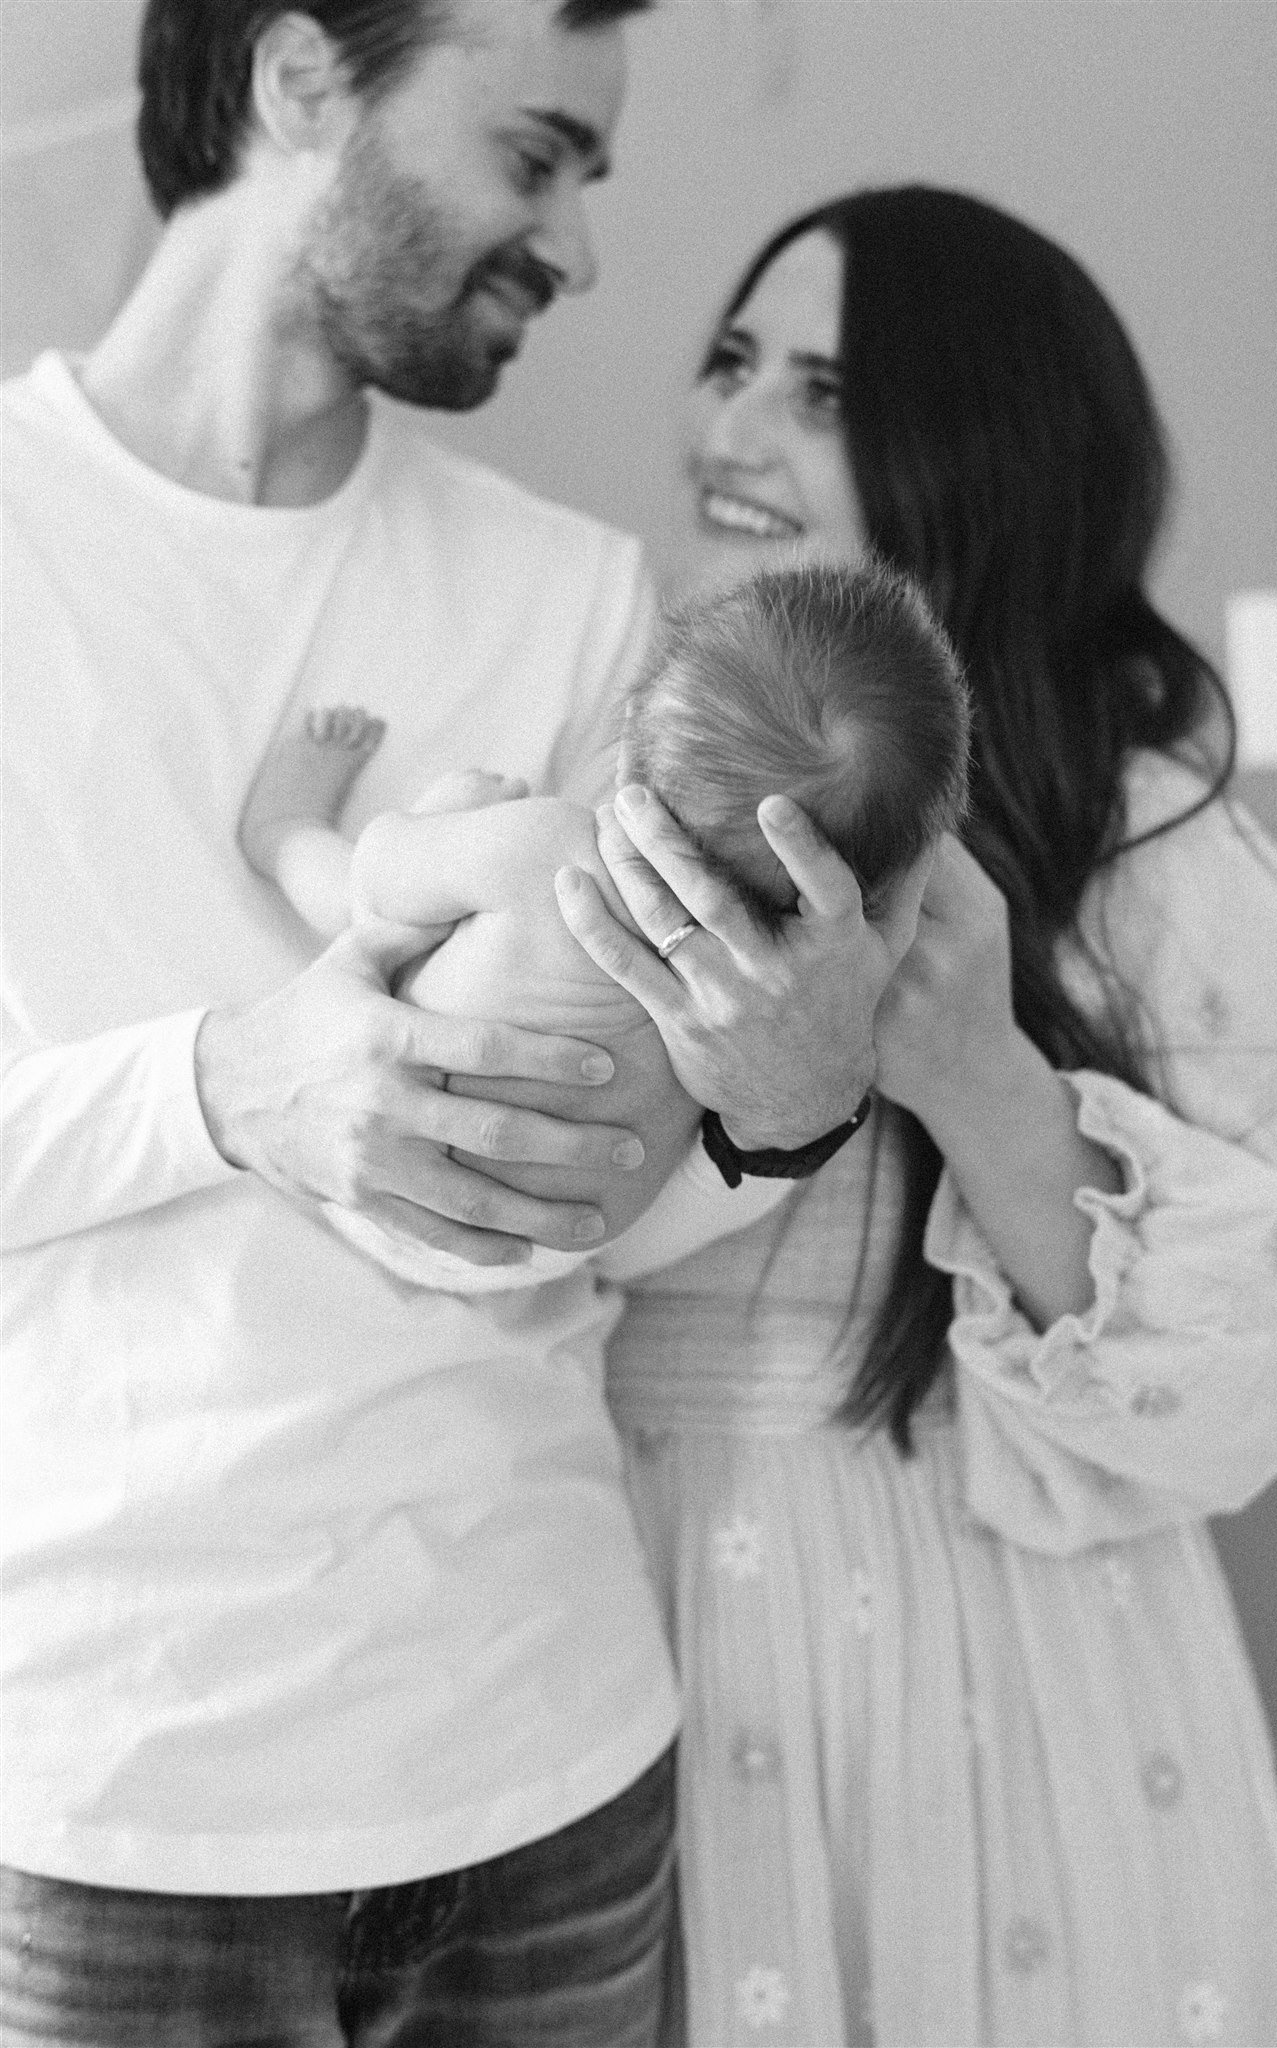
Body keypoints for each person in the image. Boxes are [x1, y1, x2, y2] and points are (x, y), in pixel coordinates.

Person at [0, 3, 912, 2035]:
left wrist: (781, 1113)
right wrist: (228, 1085)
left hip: (545, 1756)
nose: (581, 249)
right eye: (533, 155)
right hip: (115, 1789)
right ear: (301, 81)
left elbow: (595, 1200)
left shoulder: (577, 600)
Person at [550, 189, 1277, 2046]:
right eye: (734, 362)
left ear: (979, 448)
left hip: (1023, 1679)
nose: (731, 430)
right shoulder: (599, 769)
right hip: (634, 1630)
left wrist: (974, 1068)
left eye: (823, 388)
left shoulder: (1153, 847)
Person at [236, 559, 971, 1270]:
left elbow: (377, 883)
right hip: (551, 1247)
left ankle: (282, 829)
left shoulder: (547, 851)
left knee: (366, 909)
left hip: (379, 1183)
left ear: (628, 747)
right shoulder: (798, 999)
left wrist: (450, 814)